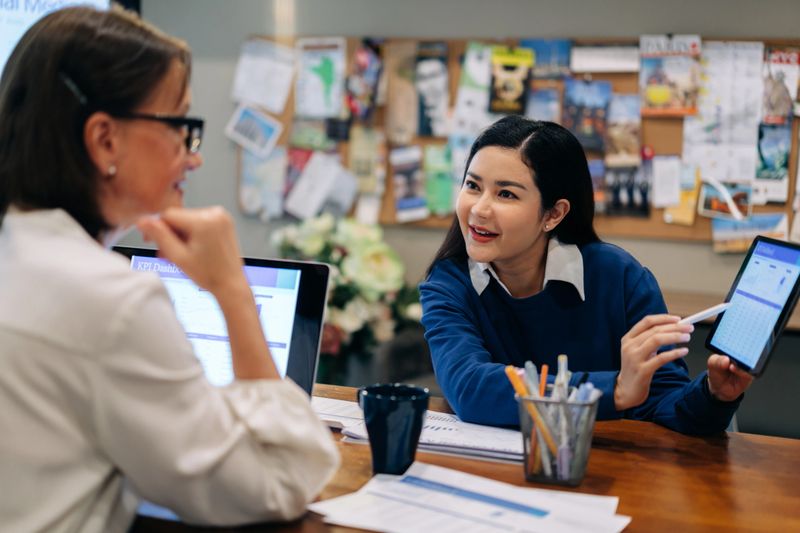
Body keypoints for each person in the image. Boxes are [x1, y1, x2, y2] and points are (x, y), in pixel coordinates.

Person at [0, 7, 338, 533]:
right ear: (105, 140)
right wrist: (230, 288)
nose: (193, 156)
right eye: (181, 126)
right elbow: (279, 482)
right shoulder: (108, 299)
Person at [419, 115, 752, 435]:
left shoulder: (619, 277)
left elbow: (665, 405)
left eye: (506, 193)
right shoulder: (449, 284)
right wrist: (614, 390)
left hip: (609, 477)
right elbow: (470, 387)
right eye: (473, 186)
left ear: (553, 214)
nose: (479, 209)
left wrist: (714, 394)